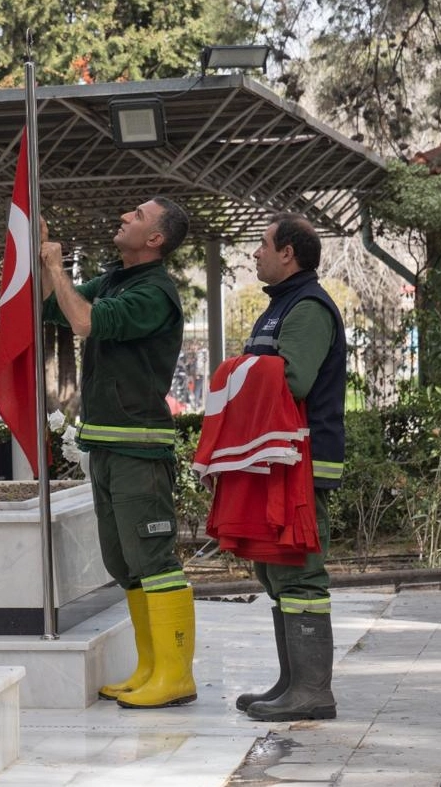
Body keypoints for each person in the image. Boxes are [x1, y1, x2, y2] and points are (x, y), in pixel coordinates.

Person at [40, 198, 194, 709]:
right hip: (107, 442)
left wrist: (58, 266)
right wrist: (37, 256)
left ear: (155, 239)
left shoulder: (154, 293)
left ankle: (175, 675)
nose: (124, 215)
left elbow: (83, 323)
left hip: (139, 447)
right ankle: (150, 668)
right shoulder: (115, 280)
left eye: (137, 215)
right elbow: (52, 308)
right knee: (125, 562)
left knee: (154, 558)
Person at [235, 213, 344, 721]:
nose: (255, 253)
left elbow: (293, 380)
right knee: (274, 568)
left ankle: (313, 692)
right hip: (276, 457)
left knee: (299, 572)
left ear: (288, 254)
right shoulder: (282, 305)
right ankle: (293, 682)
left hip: (301, 461)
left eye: (263, 244)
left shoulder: (307, 308)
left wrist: (238, 370)